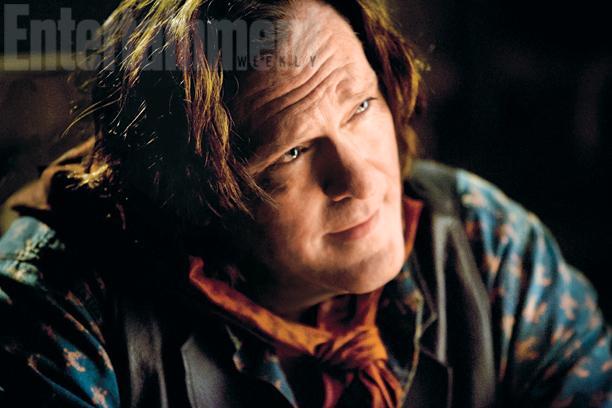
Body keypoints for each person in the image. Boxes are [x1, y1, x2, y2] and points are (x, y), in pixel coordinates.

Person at [1, 0, 612, 407]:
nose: (362, 179)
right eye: (291, 152)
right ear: (193, 195)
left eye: (361, 106)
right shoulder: (60, 308)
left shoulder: (486, 246)